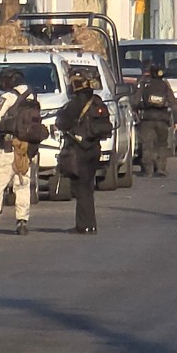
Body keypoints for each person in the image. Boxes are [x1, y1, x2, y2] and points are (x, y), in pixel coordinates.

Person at [56, 68, 113, 235]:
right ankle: (90, 224)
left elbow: (63, 122)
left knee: (81, 189)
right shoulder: (97, 101)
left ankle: (84, 226)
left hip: (79, 149)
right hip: (94, 148)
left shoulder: (76, 103)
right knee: (88, 187)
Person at [0, 69, 37, 236]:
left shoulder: (7, 97)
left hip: (6, 148)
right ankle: (22, 221)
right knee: (22, 185)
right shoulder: (32, 96)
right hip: (25, 148)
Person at [132, 62, 177, 178]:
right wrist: (176, 120)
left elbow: (135, 101)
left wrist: (136, 111)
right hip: (162, 120)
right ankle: (161, 168)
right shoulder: (165, 86)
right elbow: (174, 104)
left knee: (146, 145)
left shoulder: (145, 84)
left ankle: (148, 170)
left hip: (147, 120)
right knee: (162, 145)